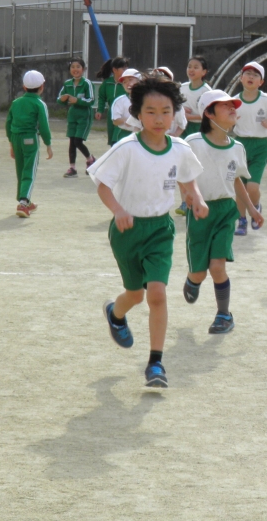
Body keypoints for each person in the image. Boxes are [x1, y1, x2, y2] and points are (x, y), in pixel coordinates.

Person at [88, 75, 207, 388]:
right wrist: (118, 210)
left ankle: (156, 363)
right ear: (138, 114)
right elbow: (103, 185)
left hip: (160, 230)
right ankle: (116, 314)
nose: (159, 118)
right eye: (151, 111)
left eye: (166, 111)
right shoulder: (126, 148)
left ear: (175, 113)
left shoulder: (179, 148)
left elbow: (188, 178)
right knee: (135, 295)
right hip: (127, 231)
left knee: (156, 293)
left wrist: (195, 197)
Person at [183, 90, 263, 334]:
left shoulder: (237, 147)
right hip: (200, 213)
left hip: (226, 211)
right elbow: (182, 173)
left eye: (233, 105)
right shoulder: (193, 143)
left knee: (217, 267)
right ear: (208, 113)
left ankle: (224, 315)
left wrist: (252, 209)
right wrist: (188, 196)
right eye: (224, 106)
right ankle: (193, 279)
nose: (232, 109)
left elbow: (236, 180)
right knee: (199, 273)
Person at [231, 62, 267, 235]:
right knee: (240, 188)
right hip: (240, 145)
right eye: (247, 74)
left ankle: (256, 206)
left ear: (261, 81)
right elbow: (227, 120)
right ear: (241, 78)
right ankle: (242, 220)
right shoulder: (234, 101)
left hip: (260, 146)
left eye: (255, 75)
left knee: (252, 187)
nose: (251, 77)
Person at [5, 69, 54, 218]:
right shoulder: (40, 104)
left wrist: (11, 144)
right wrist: (48, 144)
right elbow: (44, 126)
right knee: (29, 171)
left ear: (24, 87)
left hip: (15, 137)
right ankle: (23, 202)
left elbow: (8, 124)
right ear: (42, 87)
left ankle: (25, 199)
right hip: (30, 139)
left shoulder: (16, 102)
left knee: (21, 171)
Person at [58, 57, 97, 178]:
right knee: (72, 142)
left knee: (78, 141)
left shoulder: (87, 83)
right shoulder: (67, 84)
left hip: (84, 116)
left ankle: (91, 160)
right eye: (73, 67)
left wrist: (78, 100)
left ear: (83, 69)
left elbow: (91, 100)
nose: (75, 69)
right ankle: (72, 168)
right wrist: (62, 99)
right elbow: (59, 99)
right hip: (72, 115)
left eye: (78, 67)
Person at [95, 57, 129, 146]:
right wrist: (100, 110)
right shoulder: (107, 83)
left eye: (126, 68)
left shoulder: (127, 83)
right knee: (112, 137)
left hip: (124, 113)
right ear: (114, 70)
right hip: (111, 113)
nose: (126, 71)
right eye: (123, 68)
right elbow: (101, 97)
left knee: (118, 137)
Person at [180, 56, 212, 139]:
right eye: (189, 67)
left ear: (204, 72)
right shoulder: (182, 87)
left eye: (196, 67)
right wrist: (181, 110)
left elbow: (210, 114)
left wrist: (189, 117)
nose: (191, 70)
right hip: (182, 126)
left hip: (200, 127)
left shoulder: (207, 91)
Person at [109, 69, 142, 143]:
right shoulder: (120, 100)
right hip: (125, 133)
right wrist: (129, 120)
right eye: (124, 82)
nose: (127, 84)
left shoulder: (147, 99)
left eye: (130, 80)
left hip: (144, 134)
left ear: (139, 80)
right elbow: (115, 121)